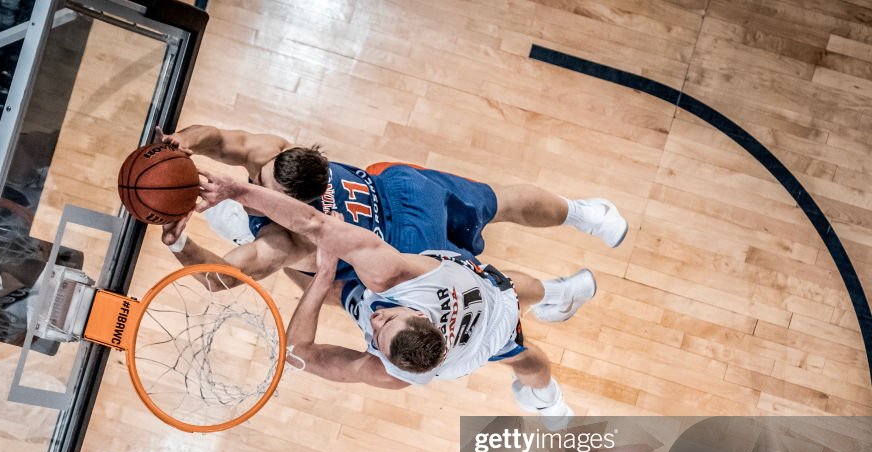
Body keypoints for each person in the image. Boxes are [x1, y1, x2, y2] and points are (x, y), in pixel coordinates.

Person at [195, 170, 596, 417]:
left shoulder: (395, 361)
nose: (374, 319)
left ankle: (547, 396)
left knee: (526, 352)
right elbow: (316, 224)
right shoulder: (398, 280)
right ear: (419, 317)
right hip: (469, 294)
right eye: (387, 319)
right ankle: (554, 301)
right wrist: (237, 191)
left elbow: (299, 352)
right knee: (510, 296)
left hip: (486, 320)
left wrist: (320, 280)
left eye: (378, 330)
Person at [158, 125, 628, 313]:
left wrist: (181, 245)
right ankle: (583, 225)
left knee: (485, 280)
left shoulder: (286, 241)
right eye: (258, 184)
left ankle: (561, 282)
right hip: (400, 197)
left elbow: (222, 279)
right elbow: (216, 137)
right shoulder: (271, 157)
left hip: (401, 248)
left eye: (267, 192)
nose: (257, 189)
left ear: (298, 198)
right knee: (497, 205)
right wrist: (182, 141)